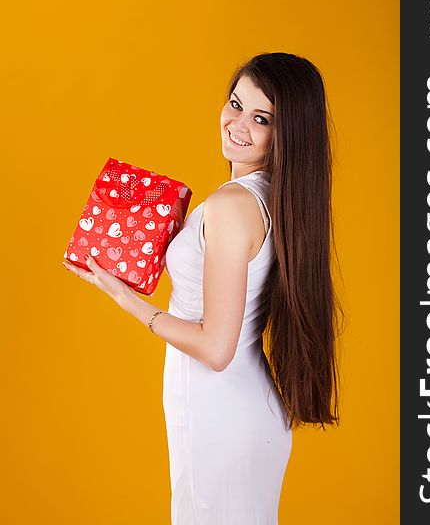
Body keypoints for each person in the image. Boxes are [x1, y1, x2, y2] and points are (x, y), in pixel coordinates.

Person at [62, 51, 343, 524]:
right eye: (235, 104)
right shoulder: (278, 198)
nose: (237, 124)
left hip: (217, 412)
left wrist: (127, 300)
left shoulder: (233, 205)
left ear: (287, 134)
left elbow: (216, 349)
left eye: (261, 118)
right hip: (247, 411)